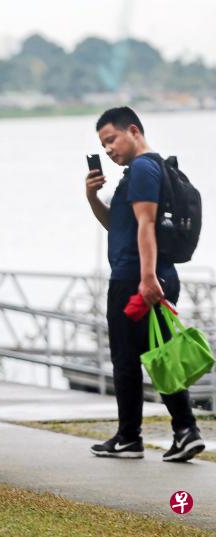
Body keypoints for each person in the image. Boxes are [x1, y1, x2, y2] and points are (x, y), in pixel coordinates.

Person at [86, 106, 205, 461]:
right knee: (161, 356)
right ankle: (184, 431)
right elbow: (119, 227)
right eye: (103, 145)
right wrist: (92, 197)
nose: (108, 150)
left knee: (127, 359)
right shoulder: (150, 169)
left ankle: (132, 437)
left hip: (136, 278)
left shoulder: (141, 169)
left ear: (133, 131)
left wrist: (147, 278)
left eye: (111, 140)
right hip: (149, 274)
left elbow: (146, 225)